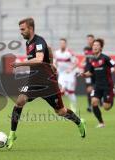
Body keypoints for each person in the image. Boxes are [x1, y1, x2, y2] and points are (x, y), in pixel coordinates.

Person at [6, 18, 86, 150]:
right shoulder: (29, 42)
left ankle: (79, 122)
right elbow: (48, 48)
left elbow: (38, 59)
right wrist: (51, 63)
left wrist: (20, 64)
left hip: (48, 82)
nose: (20, 32)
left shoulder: (38, 41)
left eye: (22, 29)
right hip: (33, 81)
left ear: (30, 28)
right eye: (20, 29)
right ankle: (12, 134)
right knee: (19, 101)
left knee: (61, 111)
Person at [79, 38, 115, 128]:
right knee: (94, 102)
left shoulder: (105, 58)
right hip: (97, 86)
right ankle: (101, 123)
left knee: (106, 107)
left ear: (101, 48)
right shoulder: (92, 60)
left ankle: (112, 93)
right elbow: (90, 72)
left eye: (97, 45)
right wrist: (83, 74)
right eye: (94, 45)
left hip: (107, 86)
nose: (95, 46)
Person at [54, 38, 78, 113]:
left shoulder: (69, 53)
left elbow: (76, 62)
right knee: (60, 91)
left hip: (70, 74)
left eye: (63, 43)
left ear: (66, 44)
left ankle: (73, 106)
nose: (62, 45)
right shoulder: (56, 53)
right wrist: (55, 68)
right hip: (61, 74)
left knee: (70, 92)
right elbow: (55, 62)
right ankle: (61, 107)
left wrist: (71, 69)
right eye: (61, 43)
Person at [83, 34, 95, 112]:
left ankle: (98, 101)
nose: (89, 41)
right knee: (88, 89)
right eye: (88, 39)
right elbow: (86, 60)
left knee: (97, 87)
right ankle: (90, 105)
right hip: (88, 71)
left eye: (91, 39)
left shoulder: (96, 48)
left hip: (96, 71)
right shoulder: (86, 49)